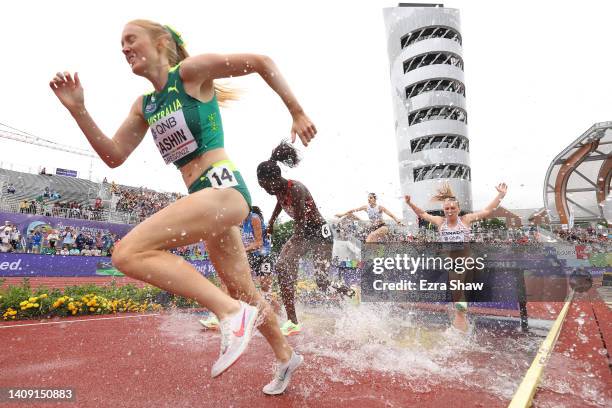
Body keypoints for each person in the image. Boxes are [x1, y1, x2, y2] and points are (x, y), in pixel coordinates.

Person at [50, 19, 314, 393]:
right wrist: (78, 110)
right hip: (203, 201)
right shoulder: (144, 105)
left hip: (225, 190)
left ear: (161, 42)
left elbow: (260, 61)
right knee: (243, 288)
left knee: (127, 253)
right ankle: (286, 356)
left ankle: (229, 315)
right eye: (120, 44)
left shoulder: (189, 74)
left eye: (130, 39)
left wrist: (297, 112)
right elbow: (113, 156)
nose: (123, 48)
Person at [257, 141, 354, 336]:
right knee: (283, 267)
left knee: (322, 282)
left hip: (319, 233)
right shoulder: (278, 190)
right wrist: (271, 222)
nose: (264, 189)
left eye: (265, 185)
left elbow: (300, 226)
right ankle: (293, 322)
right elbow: (280, 204)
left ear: (275, 178)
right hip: (305, 232)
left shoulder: (296, 189)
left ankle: (347, 290)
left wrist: (292, 248)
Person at [404, 182, 508, 331]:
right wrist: (409, 203)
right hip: (450, 264)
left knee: (459, 297)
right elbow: (422, 214)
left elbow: (487, 210)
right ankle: (459, 319)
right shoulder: (440, 222)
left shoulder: (465, 220)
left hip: (466, 263)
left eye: (453, 208)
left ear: (458, 209)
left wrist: (500, 195)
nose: (450, 211)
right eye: (447, 208)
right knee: (454, 297)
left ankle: (460, 323)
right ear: (443, 210)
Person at [336, 193, 404, 243]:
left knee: (371, 236)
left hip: (382, 227)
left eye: (371, 198)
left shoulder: (379, 208)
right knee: (368, 240)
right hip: (373, 228)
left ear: (375, 199)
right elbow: (352, 210)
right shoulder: (366, 207)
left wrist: (398, 221)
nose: (369, 199)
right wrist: (342, 215)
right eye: (368, 198)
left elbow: (391, 215)